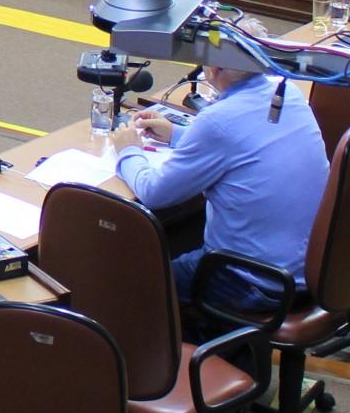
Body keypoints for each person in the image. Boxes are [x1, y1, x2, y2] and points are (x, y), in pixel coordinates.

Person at [117, 54, 329, 323]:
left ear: (214, 68)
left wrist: (129, 151)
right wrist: (178, 135)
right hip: (309, 269)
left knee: (128, 286)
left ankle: (165, 358)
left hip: (252, 283)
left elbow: (154, 193)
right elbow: (245, 142)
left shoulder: (218, 121)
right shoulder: (287, 93)